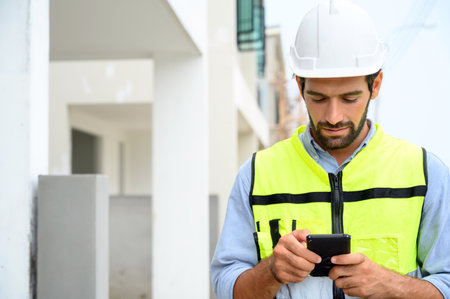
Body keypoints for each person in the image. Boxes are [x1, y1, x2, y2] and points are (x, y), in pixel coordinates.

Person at [211, 0, 450, 298]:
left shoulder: (426, 173)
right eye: (319, 98)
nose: (334, 116)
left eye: (350, 98)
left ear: (375, 85)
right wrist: (271, 271)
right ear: (299, 87)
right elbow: (225, 288)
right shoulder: (257, 174)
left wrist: (389, 284)